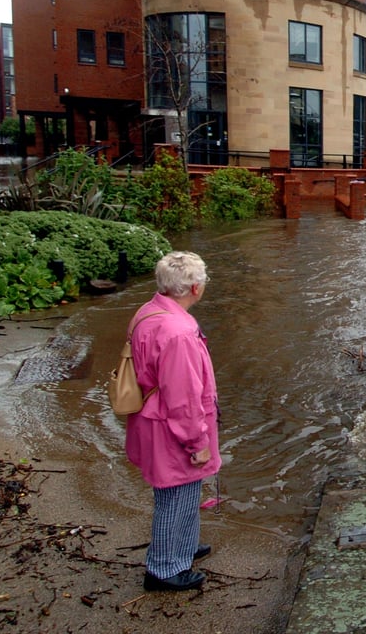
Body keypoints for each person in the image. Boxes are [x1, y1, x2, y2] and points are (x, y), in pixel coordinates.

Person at [125, 251, 221, 592]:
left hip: (153, 418)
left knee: (185, 490)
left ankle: (185, 546)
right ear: (195, 288)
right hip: (171, 427)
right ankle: (164, 568)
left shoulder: (149, 311)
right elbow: (183, 399)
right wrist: (197, 442)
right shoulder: (178, 333)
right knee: (175, 494)